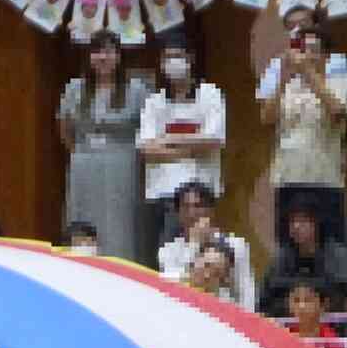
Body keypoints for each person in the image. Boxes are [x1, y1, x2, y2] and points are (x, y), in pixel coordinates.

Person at [58, 30, 150, 261]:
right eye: (97, 51)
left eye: (108, 51)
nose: (102, 57)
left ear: (119, 56)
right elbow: (64, 127)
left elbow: (148, 129)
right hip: (84, 162)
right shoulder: (75, 87)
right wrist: (80, 152)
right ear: (89, 57)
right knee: (82, 219)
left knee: (119, 224)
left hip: (122, 163)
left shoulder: (136, 89)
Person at [258, 18, 347, 246]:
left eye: (313, 50)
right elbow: (266, 118)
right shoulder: (288, 86)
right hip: (288, 180)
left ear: (326, 57)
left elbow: (338, 111)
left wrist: (307, 72)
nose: (306, 55)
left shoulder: (337, 81)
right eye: (302, 49)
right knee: (288, 251)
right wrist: (282, 80)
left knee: (331, 250)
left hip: (324, 181)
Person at [136, 34, 225, 254]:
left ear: (190, 59)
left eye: (178, 56)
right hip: (162, 192)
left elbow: (213, 140)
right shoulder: (154, 101)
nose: (172, 62)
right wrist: (192, 149)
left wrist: (169, 140)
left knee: (199, 255)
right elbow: (147, 150)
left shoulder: (210, 94)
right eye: (167, 57)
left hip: (199, 192)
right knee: (166, 259)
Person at [157, 182, 254, 309]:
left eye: (198, 206)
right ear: (178, 212)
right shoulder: (167, 251)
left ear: (210, 210)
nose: (192, 213)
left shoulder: (235, 245)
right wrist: (194, 245)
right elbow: (174, 285)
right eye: (186, 207)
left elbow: (246, 292)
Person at [258, 200, 347, 316]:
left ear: (316, 224)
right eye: (292, 221)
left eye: (303, 221)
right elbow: (265, 300)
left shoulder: (337, 254)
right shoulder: (281, 257)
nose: (296, 226)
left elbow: (342, 297)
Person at [282, 279, 346, 348]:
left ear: (322, 305)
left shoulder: (332, 343)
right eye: (296, 300)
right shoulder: (283, 335)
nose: (302, 306)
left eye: (308, 300)